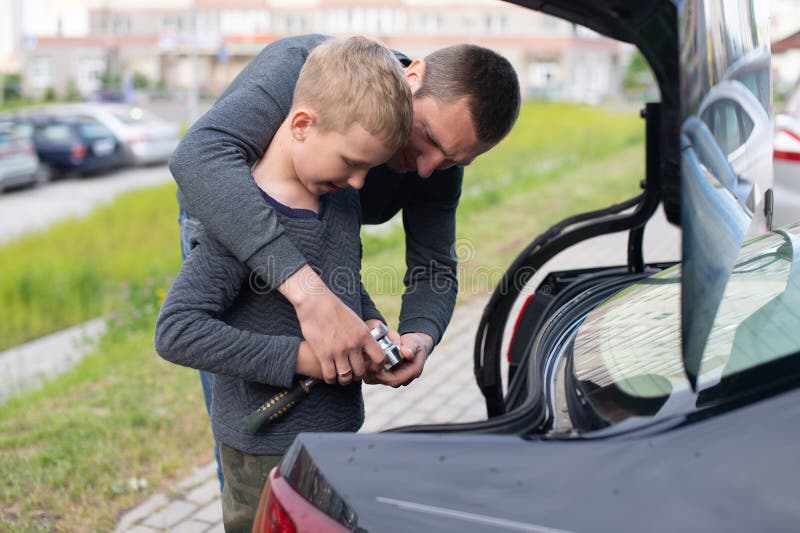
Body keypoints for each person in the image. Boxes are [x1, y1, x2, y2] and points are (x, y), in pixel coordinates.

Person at [169, 33, 521, 490]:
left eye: (454, 160)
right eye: (429, 138)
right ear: (412, 77)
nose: (427, 169)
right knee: (248, 418)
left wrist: (416, 335)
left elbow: (433, 264)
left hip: (325, 223)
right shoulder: (303, 69)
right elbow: (200, 156)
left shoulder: (433, 165)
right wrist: (310, 296)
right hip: (226, 213)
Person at [155, 36, 413, 532]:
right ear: (301, 125)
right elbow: (177, 332)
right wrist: (302, 360)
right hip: (263, 454)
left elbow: (341, 282)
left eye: (369, 169)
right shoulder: (241, 221)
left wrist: (373, 325)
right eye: (351, 163)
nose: (359, 183)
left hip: (339, 435)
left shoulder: (338, 203)